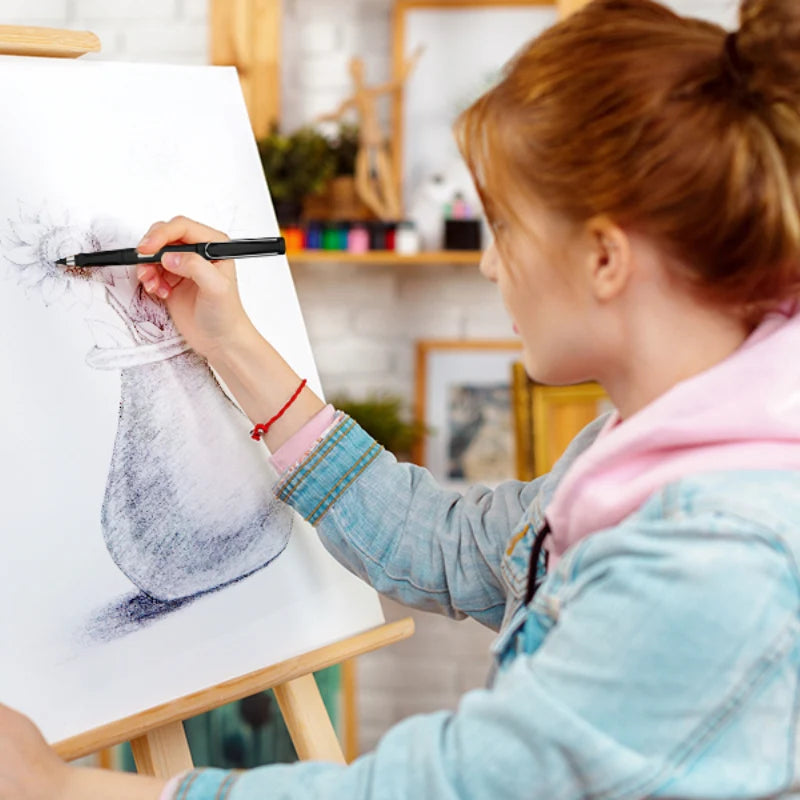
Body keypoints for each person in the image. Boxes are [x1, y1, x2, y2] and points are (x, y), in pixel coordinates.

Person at [3, 0, 800, 797]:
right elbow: (451, 548)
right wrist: (232, 341)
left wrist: (62, 789)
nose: (489, 264)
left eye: (503, 226)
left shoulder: (716, 554)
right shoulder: (653, 448)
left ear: (603, 257)